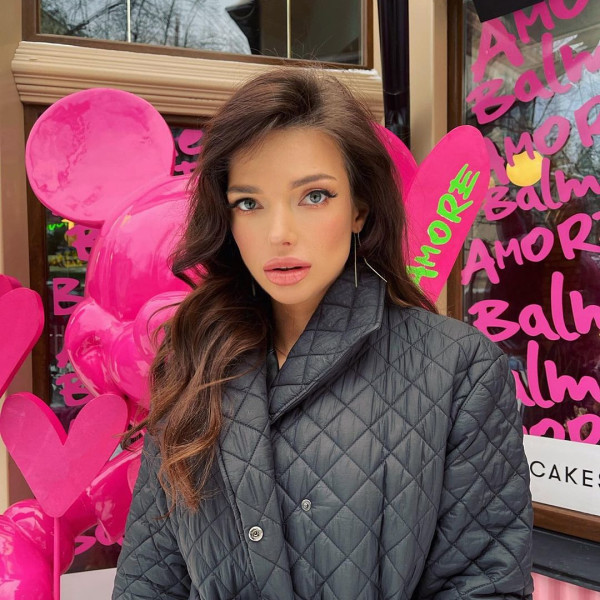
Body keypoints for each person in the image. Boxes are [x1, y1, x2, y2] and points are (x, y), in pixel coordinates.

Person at [112, 67, 533, 600]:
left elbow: (484, 584)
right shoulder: (195, 357)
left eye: (314, 196)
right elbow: (149, 580)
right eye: (249, 202)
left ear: (359, 208)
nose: (279, 233)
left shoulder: (458, 368)